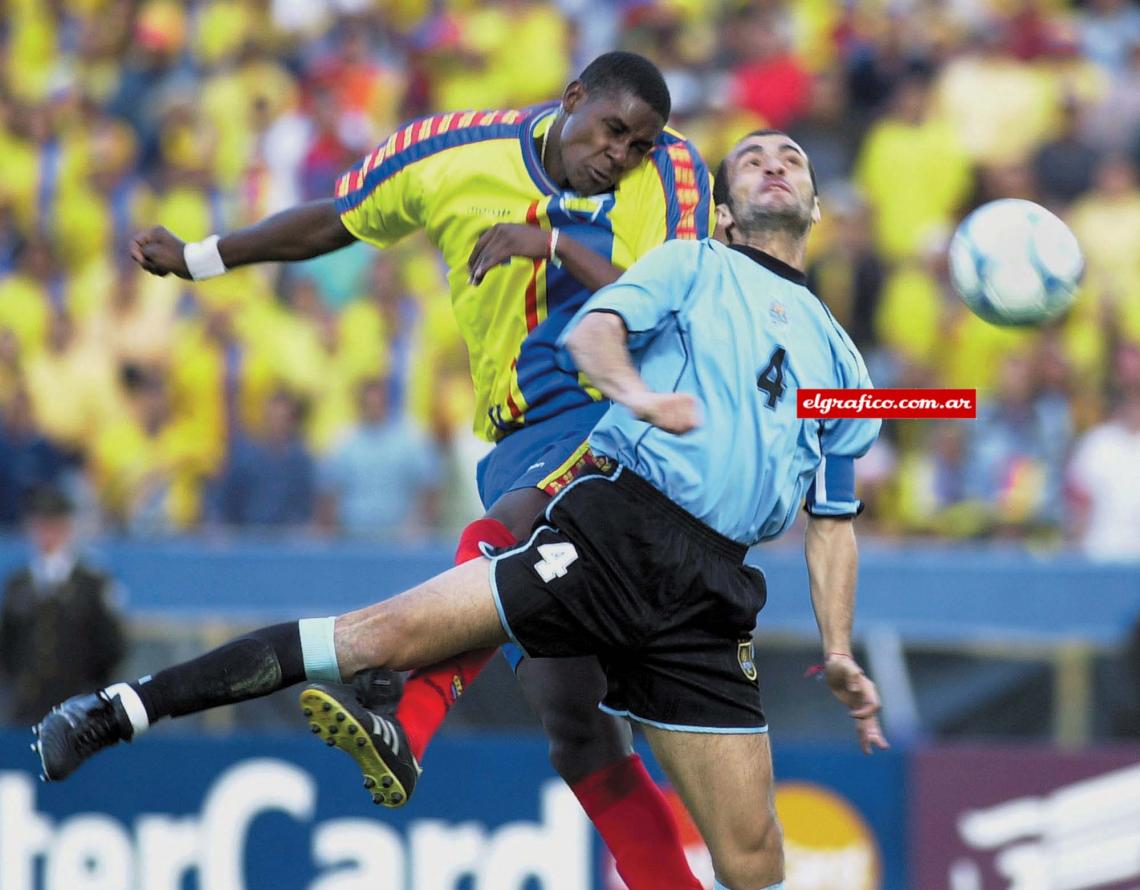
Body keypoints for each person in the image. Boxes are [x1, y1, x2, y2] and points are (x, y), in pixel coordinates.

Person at [37, 130, 887, 890]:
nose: (775, 163)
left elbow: (835, 519)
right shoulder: (692, 265)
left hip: (713, 589)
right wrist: (637, 392)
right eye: (753, 157)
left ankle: (412, 718)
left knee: (753, 860)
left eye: (794, 159)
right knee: (373, 635)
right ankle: (120, 710)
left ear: (815, 205)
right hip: (617, 529)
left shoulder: (844, 362)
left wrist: (841, 650)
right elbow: (596, 332)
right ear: (729, 215)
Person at [129, 51, 713, 890]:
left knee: (513, 543)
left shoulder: (677, 172)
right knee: (574, 724)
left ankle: (412, 711)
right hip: (513, 443)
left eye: (637, 144)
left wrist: (551, 243)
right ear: (572, 98)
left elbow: (682, 305)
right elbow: (337, 219)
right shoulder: (451, 150)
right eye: (613, 131)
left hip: (622, 422)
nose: (621, 155)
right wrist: (201, 256)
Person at [2, 488, 125, 724]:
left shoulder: (91, 582)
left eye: (52, 525)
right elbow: (8, 644)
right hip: (26, 709)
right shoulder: (18, 584)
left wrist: (92, 694)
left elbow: (111, 647)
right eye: (40, 525)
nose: (46, 533)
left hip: (78, 709)